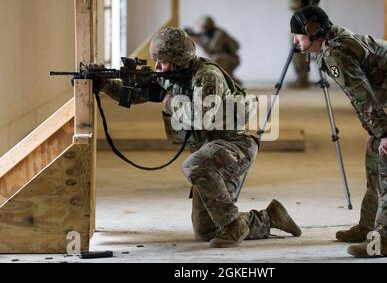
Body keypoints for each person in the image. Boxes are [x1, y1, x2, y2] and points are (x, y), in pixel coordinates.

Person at [99, 28, 301, 248]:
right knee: (206, 232)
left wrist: (165, 98)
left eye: (162, 61)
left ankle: (235, 224)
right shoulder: (174, 75)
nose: (157, 67)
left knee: (193, 165)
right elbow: (133, 96)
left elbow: (201, 117)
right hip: (212, 154)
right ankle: (270, 217)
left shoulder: (207, 76)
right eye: (156, 61)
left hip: (234, 148)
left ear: (178, 59)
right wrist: (103, 84)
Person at [290, 6, 387, 257]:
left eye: (298, 35)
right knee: (376, 149)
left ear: (314, 30)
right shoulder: (332, 44)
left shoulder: (335, 51)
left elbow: (362, 95)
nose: (295, 41)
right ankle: (369, 227)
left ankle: (386, 240)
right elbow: (360, 93)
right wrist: (375, 132)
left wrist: (383, 133)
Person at [189, 16, 242, 85]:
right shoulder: (206, 35)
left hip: (231, 58)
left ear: (206, 26)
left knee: (215, 61)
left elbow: (214, 49)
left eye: (201, 27)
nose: (200, 29)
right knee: (224, 74)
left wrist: (200, 42)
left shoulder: (218, 34)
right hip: (224, 58)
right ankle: (233, 83)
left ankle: (235, 84)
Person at [289, 0, 318, 89]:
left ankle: (302, 80)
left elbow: (299, 4)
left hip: (303, 23)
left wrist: (293, 0)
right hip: (301, 21)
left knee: (300, 52)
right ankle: (301, 79)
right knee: (298, 52)